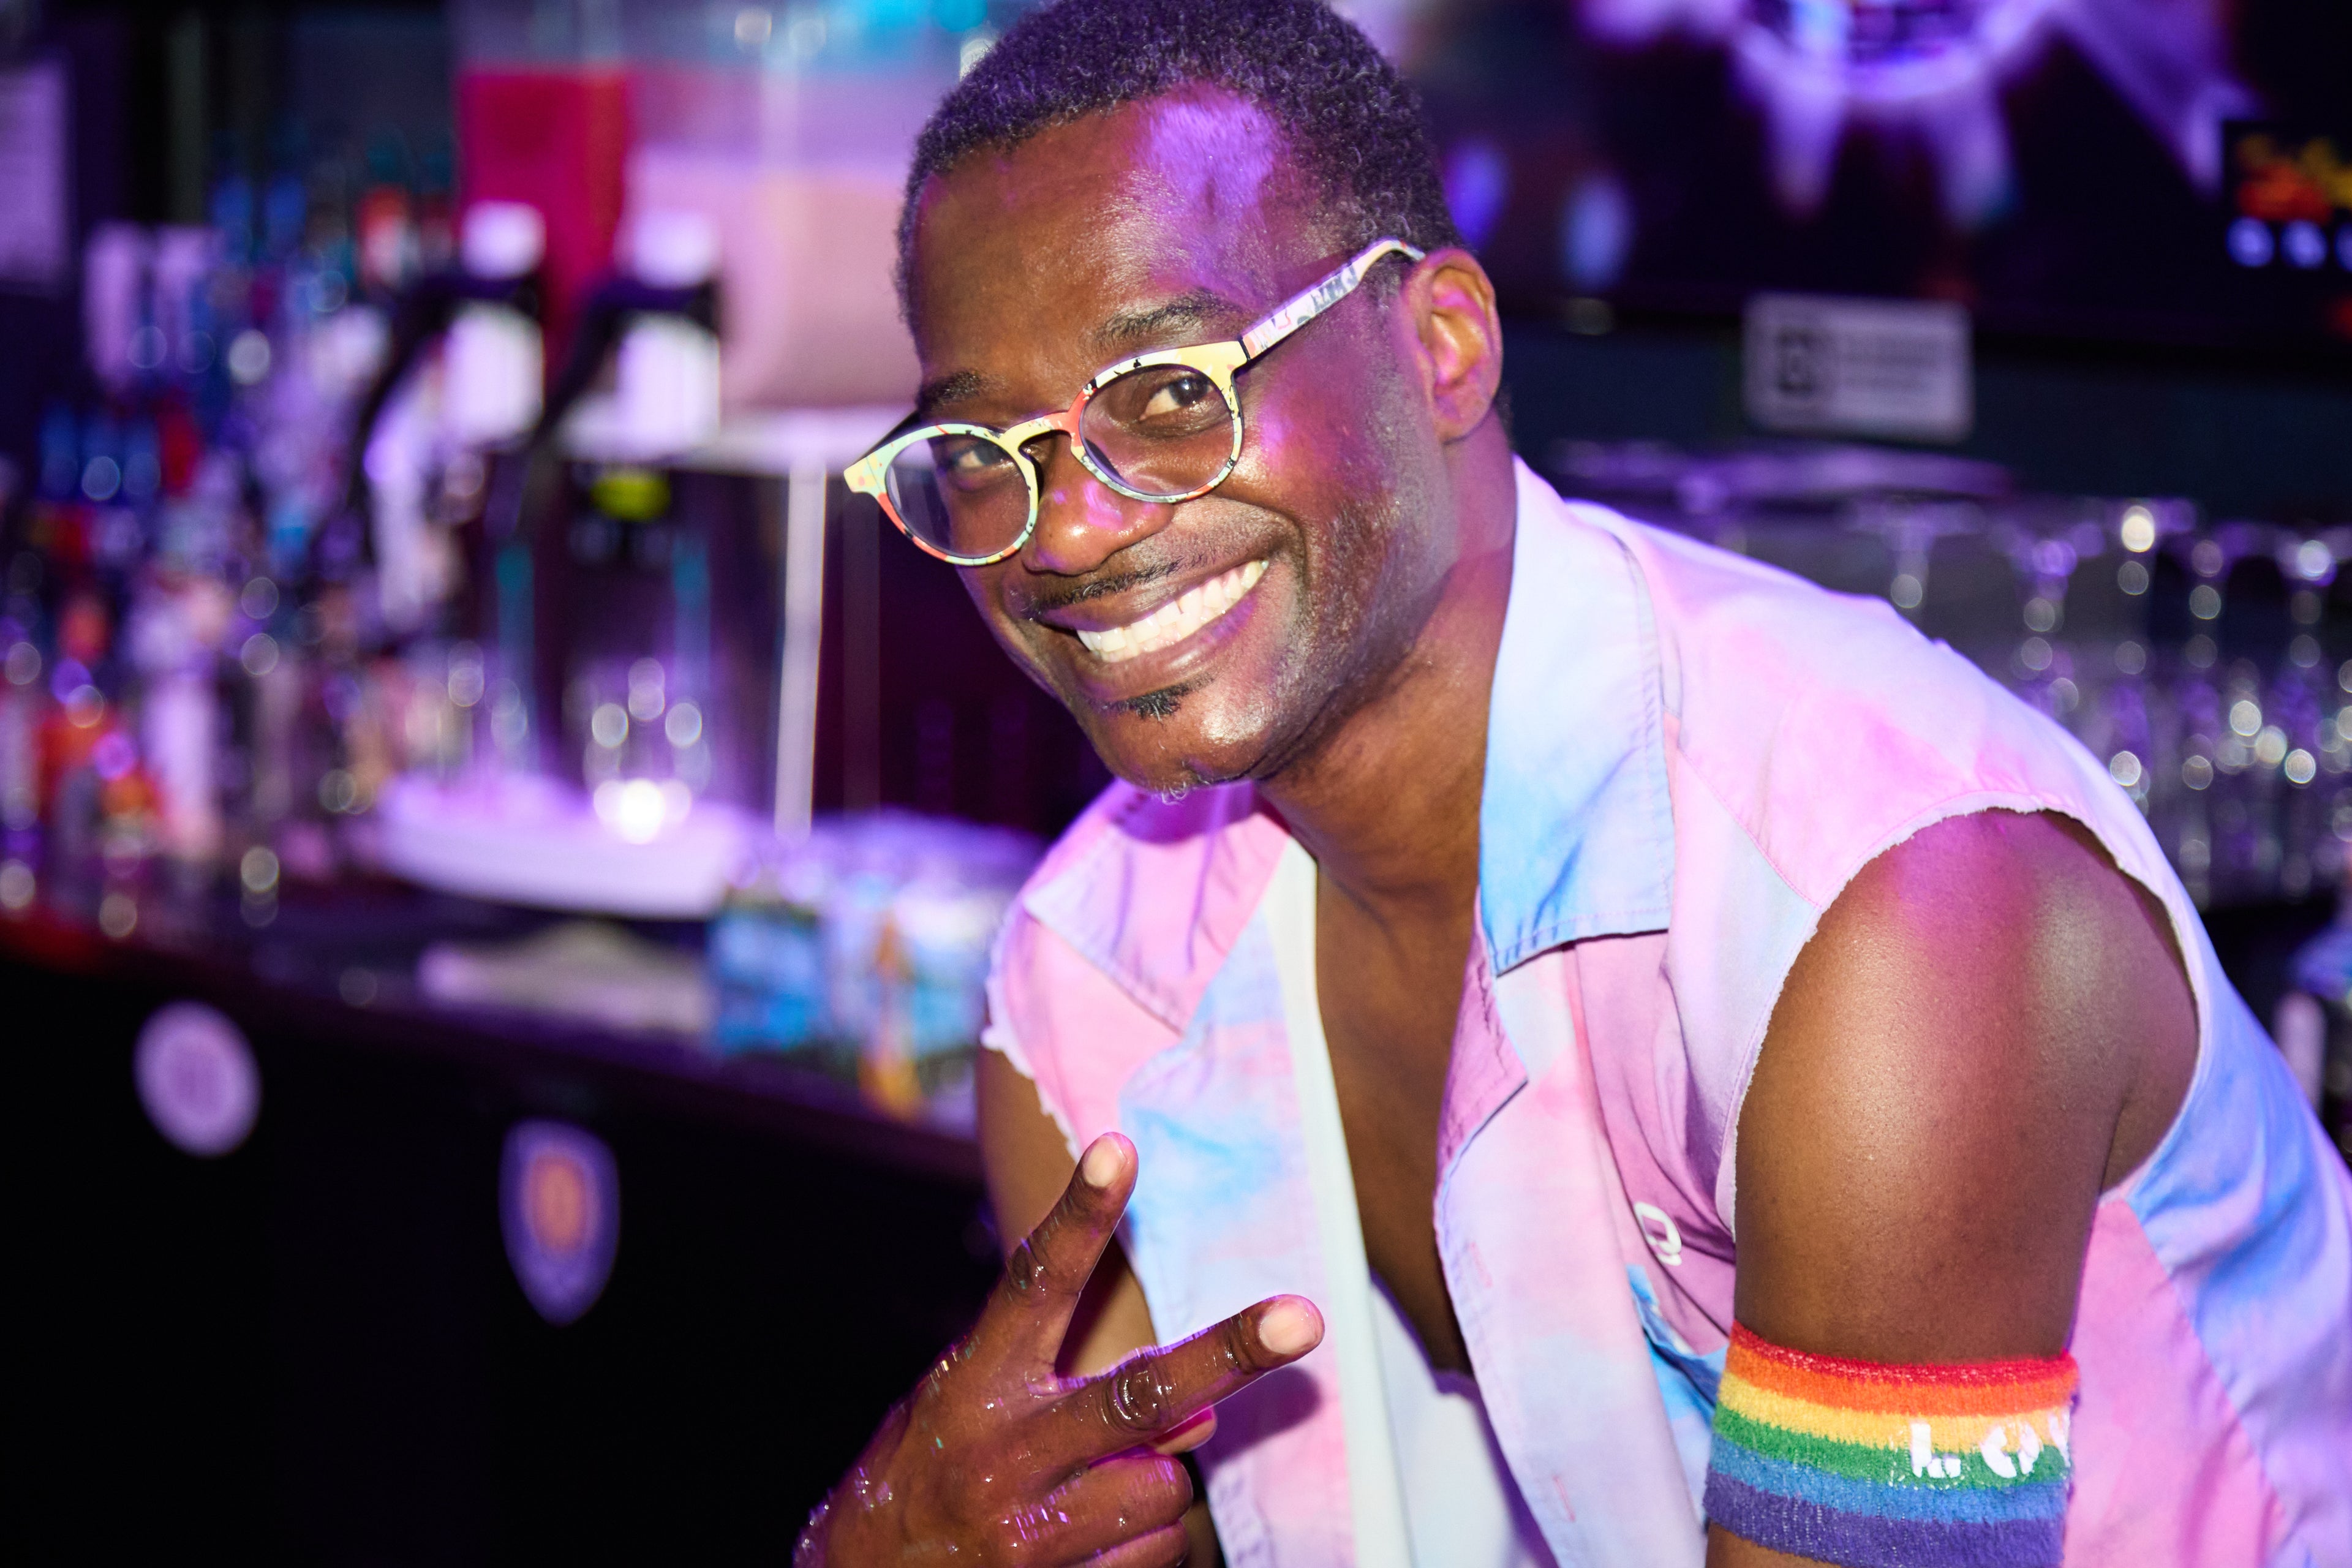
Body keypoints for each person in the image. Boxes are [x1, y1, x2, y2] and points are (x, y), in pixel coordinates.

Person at [797, 2, 2352, 1564]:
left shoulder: (1884, 908)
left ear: (1444, 347)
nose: (1060, 532)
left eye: (1170, 395)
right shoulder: (1091, 986)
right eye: (985, 451)